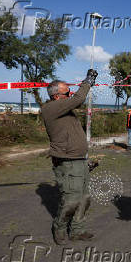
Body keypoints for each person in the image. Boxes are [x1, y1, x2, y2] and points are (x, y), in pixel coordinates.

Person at [41, 69, 98, 245]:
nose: (70, 94)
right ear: (57, 96)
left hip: (79, 160)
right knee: (71, 200)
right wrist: (88, 81)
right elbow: (79, 99)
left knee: (84, 198)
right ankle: (59, 227)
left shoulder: (63, 108)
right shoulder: (51, 108)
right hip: (67, 161)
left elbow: (76, 101)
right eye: (67, 93)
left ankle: (77, 230)